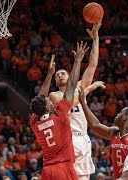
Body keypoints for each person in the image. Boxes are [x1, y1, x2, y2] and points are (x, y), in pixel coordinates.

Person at [40, 20, 103, 180]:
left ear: (70, 77)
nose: (59, 75)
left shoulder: (79, 86)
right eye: (57, 75)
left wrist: (95, 39)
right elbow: (69, 104)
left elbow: (92, 65)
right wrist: (88, 89)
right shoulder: (55, 96)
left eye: (62, 73)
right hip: (68, 139)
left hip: (84, 138)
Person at [30, 41, 89, 180]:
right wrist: (78, 61)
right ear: (48, 107)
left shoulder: (35, 123)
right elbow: (72, 85)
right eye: (49, 102)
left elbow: (40, 98)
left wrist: (50, 75)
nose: (51, 101)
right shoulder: (60, 115)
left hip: (47, 171)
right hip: (63, 168)